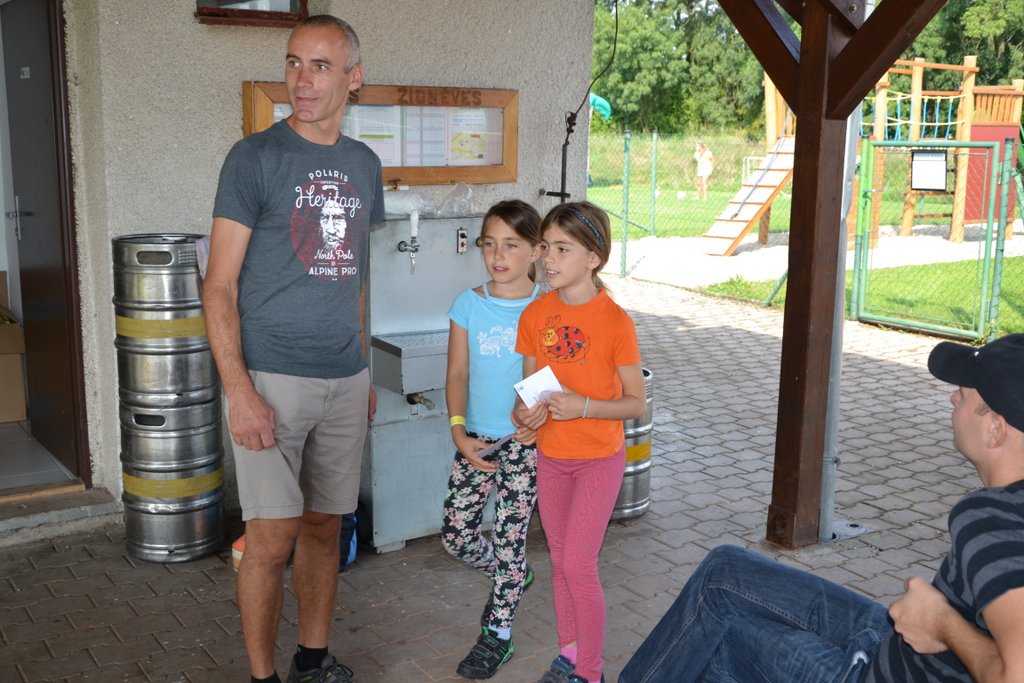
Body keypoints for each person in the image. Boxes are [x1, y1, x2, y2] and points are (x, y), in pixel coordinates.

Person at [619, 333, 1024, 683]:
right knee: (724, 571)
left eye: (966, 395)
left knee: (721, 640)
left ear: (995, 428)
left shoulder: (992, 518)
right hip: (891, 645)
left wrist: (942, 623)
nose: (953, 397)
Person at [202, 15, 383, 683]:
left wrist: (362, 367)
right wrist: (238, 389)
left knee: (325, 527)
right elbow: (219, 285)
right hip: (271, 378)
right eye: (293, 63)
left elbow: (355, 275)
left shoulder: (364, 165)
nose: (301, 80)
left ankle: (312, 657)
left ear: (353, 78)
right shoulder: (254, 158)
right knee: (271, 537)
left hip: (344, 375)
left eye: (320, 66)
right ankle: (263, 677)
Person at [514, 201, 647, 683]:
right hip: (551, 457)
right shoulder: (536, 314)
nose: (548, 259)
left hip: (598, 460)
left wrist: (584, 406)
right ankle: (569, 654)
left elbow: (635, 402)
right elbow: (526, 393)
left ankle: (590, 672)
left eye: (562, 249)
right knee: (561, 563)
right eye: (546, 247)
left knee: (577, 564)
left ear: (593, 258)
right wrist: (524, 418)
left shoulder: (616, 322)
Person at [441, 199, 544, 679]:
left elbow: (551, 379)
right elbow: (457, 374)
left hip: (525, 445)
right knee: (457, 536)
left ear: (536, 251)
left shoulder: (546, 307)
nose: (498, 255)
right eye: (489, 244)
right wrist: (458, 431)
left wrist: (537, 421)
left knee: (509, 539)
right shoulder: (468, 304)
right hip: (476, 441)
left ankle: (497, 635)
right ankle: (513, 577)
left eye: (512, 245)